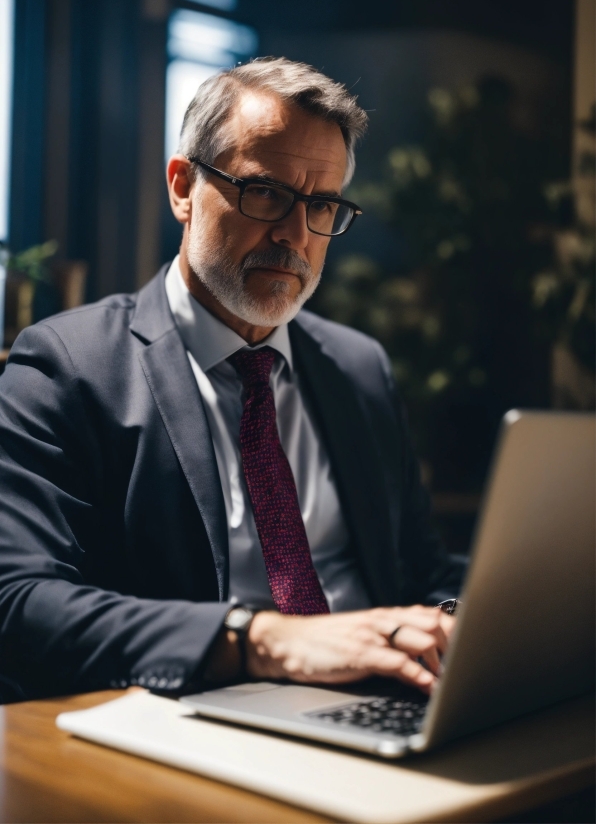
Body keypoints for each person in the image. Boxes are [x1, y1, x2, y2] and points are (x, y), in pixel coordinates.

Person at [0, 58, 463, 704]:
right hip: (193, 722)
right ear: (183, 187)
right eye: (266, 193)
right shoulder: (65, 368)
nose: (296, 236)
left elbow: (422, 570)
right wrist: (262, 639)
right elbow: (21, 604)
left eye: (323, 204)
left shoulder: (360, 369)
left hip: (385, 708)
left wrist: (466, 620)